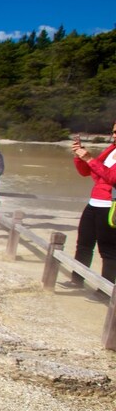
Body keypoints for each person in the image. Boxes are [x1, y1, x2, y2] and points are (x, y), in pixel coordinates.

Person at [70, 121, 116, 288]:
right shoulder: (111, 150)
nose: (114, 135)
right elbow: (86, 172)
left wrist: (89, 158)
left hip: (110, 206)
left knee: (108, 251)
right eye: (114, 131)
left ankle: (105, 290)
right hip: (94, 202)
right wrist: (80, 157)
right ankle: (76, 280)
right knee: (83, 243)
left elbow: (113, 178)